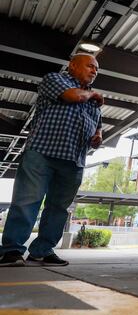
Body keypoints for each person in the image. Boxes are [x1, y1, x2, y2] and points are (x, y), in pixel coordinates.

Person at [0, 54, 103, 267]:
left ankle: (42, 250)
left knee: (59, 208)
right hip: (42, 152)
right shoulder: (55, 79)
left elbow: (98, 127)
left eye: (96, 69)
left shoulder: (94, 103)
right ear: (73, 66)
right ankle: (11, 251)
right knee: (27, 201)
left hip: (74, 160)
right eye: (90, 66)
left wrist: (97, 137)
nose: (94, 71)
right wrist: (92, 94)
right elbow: (72, 96)